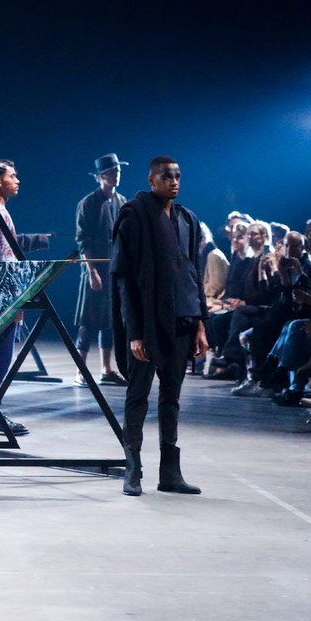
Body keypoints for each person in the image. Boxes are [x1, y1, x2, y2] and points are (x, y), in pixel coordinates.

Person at [111, 155, 208, 497]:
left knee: (172, 396)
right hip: (148, 323)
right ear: (151, 180)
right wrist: (135, 331)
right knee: (138, 395)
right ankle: (132, 470)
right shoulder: (134, 215)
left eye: (178, 176)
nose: (174, 181)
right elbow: (124, 278)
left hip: (183, 319)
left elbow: (193, 272)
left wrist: (200, 323)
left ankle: (170, 473)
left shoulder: (187, 219)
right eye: (167, 176)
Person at [0, 157, 49, 436]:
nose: (17, 181)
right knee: (0, 355)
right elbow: (4, 261)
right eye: (12, 176)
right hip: (2, 295)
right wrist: (15, 301)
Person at [72, 153, 128, 387]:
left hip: (115, 270)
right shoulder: (88, 203)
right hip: (95, 269)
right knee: (88, 320)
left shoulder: (122, 201)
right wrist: (91, 271)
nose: (117, 175)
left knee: (111, 320)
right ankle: (80, 370)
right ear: (102, 176)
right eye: (112, 172)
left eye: (118, 171)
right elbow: (82, 240)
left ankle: (107, 369)